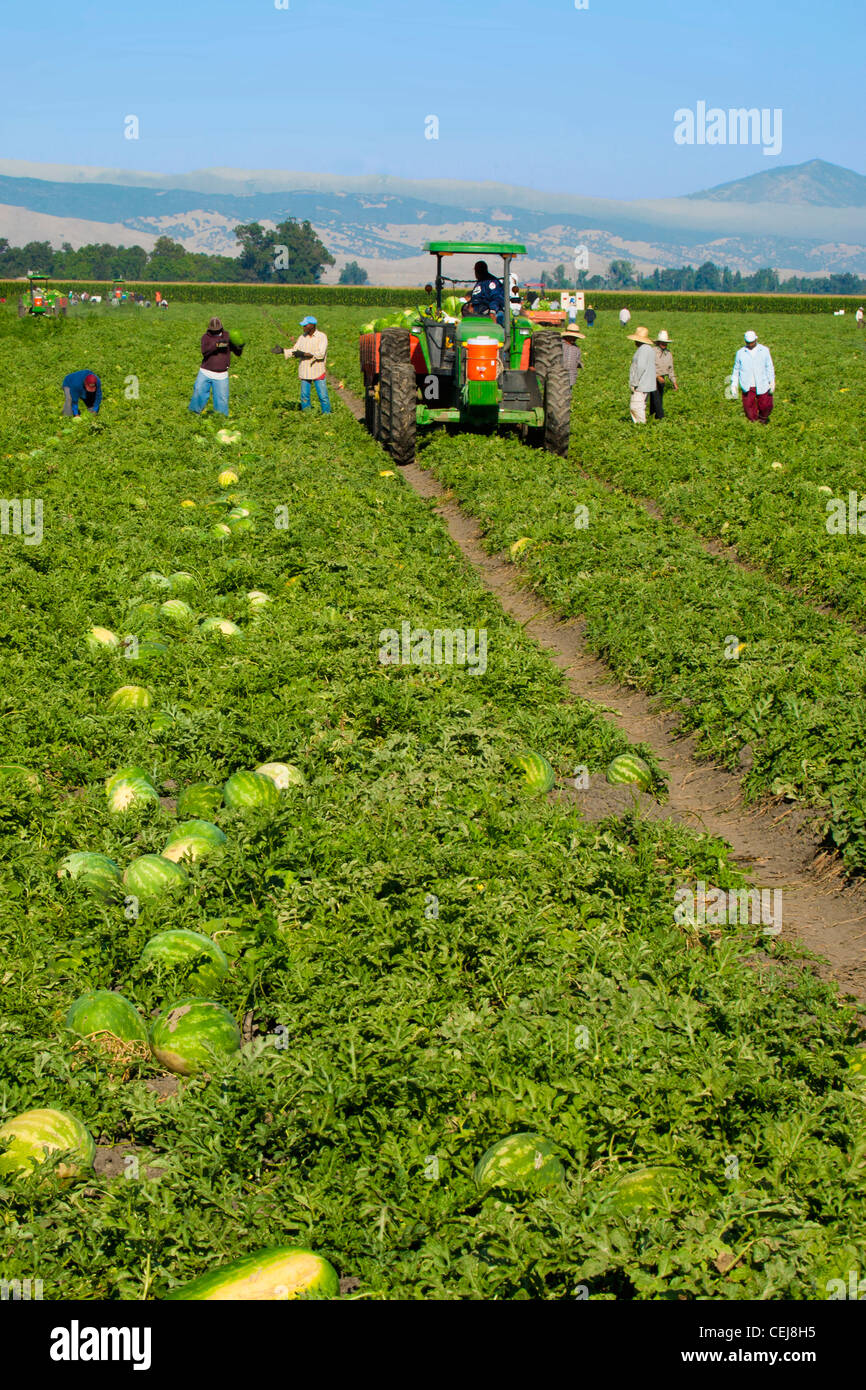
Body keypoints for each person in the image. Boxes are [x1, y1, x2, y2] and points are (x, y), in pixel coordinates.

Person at [188, 317, 242, 417]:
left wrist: (240, 346)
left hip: (221, 374)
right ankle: (193, 415)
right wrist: (217, 345)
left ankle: (220, 419)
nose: (215, 332)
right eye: (213, 331)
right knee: (199, 392)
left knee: (222, 399)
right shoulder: (206, 337)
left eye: (217, 330)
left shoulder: (227, 336)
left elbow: (237, 352)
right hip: (205, 372)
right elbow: (205, 351)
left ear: (221, 328)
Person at [281, 315, 331, 414]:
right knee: (304, 396)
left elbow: (320, 354)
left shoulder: (322, 337)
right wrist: (282, 351)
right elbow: (295, 350)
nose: (303, 327)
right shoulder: (302, 337)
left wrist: (304, 354)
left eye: (305, 325)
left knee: (323, 395)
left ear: (312, 325)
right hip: (305, 370)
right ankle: (307, 414)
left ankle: (327, 415)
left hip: (317, 370)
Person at [730, 329, 775, 424]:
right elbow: (736, 369)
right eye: (748, 343)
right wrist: (734, 384)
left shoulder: (764, 350)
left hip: (762, 382)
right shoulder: (740, 353)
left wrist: (772, 381)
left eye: (752, 342)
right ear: (745, 341)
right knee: (749, 407)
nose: (750, 345)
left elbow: (769, 366)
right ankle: (753, 424)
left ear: (756, 340)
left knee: (765, 405)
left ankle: (763, 420)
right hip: (747, 384)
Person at [627, 326, 656, 424]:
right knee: (640, 405)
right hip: (646, 383)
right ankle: (640, 426)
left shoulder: (643, 349)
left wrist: (635, 382)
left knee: (635, 406)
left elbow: (641, 367)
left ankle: (641, 426)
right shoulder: (648, 349)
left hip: (641, 384)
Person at [649, 329, 678, 420]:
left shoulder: (668, 354)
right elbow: (649, 366)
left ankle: (653, 417)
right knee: (656, 398)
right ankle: (661, 418)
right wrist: (657, 376)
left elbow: (670, 369)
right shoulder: (652, 352)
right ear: (658, 342)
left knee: (657, 399)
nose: (664, 344)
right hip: (652, 378)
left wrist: (674, 382)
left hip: (662, 379)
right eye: (662, 342)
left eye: (665, 343)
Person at [560, 323, 585, 389]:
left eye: (575, 337)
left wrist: (580, 364)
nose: (574, 339)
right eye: (572, 337)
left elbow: (577, 360)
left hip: (570, 377)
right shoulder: (559, 346)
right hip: (558, 376)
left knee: (568, 393)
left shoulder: (576, 348)